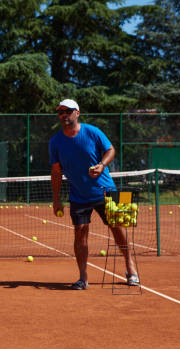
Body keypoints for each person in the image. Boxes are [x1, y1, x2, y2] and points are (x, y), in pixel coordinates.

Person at [49, 99, 139, 290]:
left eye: (67, 111)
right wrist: (56, 200)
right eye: (60, 112)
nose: (63, 115)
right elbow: (56, 172)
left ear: (77, 113)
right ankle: (83, 278)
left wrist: (102, 165)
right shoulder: (55, 142)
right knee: (80, 233)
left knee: (119, 228)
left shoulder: (93, 131)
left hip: (108, 189)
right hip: (78, 195)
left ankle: (131, 268)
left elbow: (111, 149)